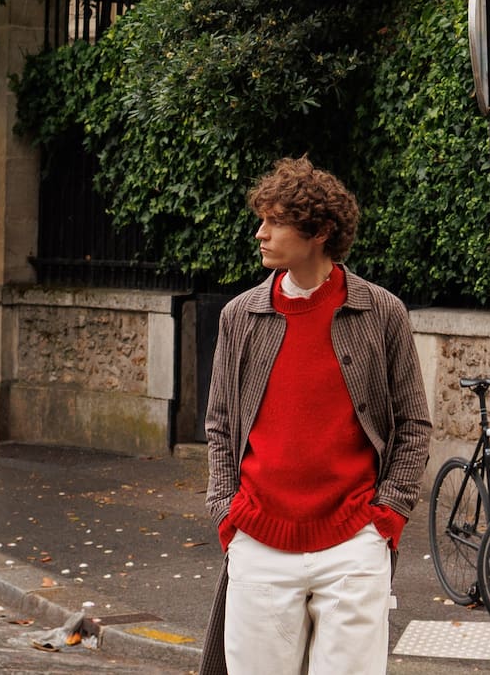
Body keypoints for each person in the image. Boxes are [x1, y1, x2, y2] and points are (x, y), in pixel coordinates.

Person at [200, 156, 431, 675]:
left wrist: (387, 516)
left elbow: (414, 424)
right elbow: (218, 423)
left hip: (354, 545)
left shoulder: (381, 312)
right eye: (262, 219)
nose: (260, 233)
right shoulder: (241, 316)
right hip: (259, 541)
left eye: (275, 221)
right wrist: (226, 511)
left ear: (320, 231)